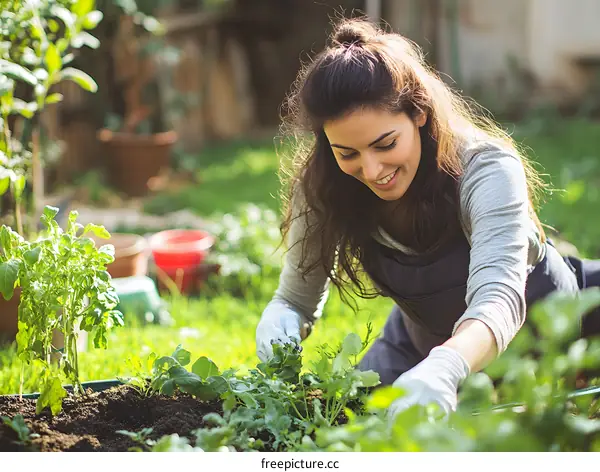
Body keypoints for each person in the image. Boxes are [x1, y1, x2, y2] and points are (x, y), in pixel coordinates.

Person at [255, 17, 600, 419]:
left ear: (418, 113)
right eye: (347, 153)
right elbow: (295, 297)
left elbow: (498, 298)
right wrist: (284, 316)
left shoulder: (484, 169)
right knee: (347, 423)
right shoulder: (324, 184)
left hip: (532, 331)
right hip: (421, 340)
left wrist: (448, 366)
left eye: (385, 144)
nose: (371, 170)